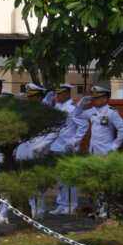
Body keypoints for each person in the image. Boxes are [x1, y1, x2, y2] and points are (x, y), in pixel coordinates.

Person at [73, 85, 123, 218]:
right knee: (96, 182)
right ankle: (99, 208)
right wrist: (81, 103)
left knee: (105, 182)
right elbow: (75, 115)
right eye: (94, 98)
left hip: (106, 152)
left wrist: (114, 146)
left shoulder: (111, 112)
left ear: (105, 98)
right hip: (94, 151)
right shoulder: (92, 111)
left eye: (97, 98)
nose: (95, 101)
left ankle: (107, 210)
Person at [13, 83, 55, 218]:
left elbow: (54, 132)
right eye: (29, 97)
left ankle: (39, 210)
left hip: (38, 149)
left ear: (39, 97)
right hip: (24, 149)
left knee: (37, 182)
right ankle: (30, 209)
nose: (30, 99)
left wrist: (43, 145)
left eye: (33, 97)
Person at [45, 83, 81, 215]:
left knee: (69, 178)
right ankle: (62, 204)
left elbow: (82, 127)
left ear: (66, 94)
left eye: (59, 94)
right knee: (60, 179)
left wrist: (75, 142)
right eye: (56, 94)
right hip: (56, 146)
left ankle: (72, 204)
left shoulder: (73, 109)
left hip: (67, 147)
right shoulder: (57, 107)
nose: (56, 96)